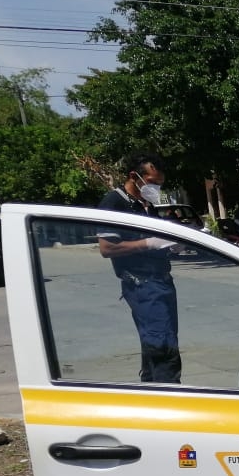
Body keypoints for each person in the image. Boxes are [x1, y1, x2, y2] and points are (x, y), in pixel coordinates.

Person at [97, 152, 181, 383]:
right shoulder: (114, 203)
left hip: (161, 281)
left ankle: (151, 391)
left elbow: (157, 240)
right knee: (163, 345)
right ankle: (169, 398)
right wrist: (147, 244)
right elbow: (107, 248)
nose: (156, 188)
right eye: (152, 182)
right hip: (142, 285)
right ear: (135, 177)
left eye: (160, 184)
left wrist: (171, 245)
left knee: (156, 342)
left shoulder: (146, 205)